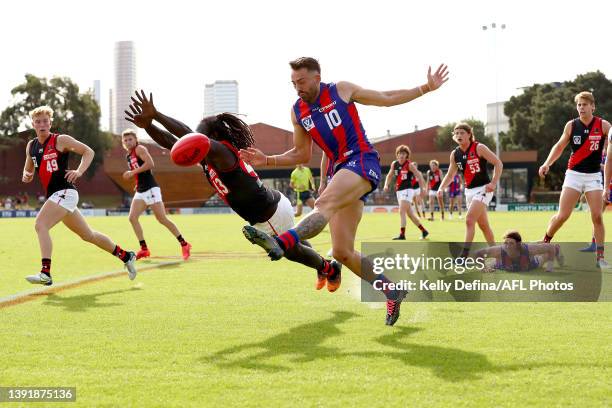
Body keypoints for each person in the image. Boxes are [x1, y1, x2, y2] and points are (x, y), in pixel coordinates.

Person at [239, 57, 449, 325]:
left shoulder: (341, 90)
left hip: (361, 160)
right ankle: (392, 290)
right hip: (340, 171)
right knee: (341, 252)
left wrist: (425, 88)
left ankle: (281, 243)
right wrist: (267, 160)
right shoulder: (297, 111)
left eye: (301, 82)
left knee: (323, 204)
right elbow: (302, 154)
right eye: (293, 83)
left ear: (317, 77)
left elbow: (385, 97)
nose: (297, 88)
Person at [124, 90, 342, 292]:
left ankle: (329, 268)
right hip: (270, 208)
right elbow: (174, 143)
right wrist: (148, 126)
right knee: (296, 241)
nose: (192, 141)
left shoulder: (222, 153)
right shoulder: (209, 158)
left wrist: (157, 115)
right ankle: (321, 265)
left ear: (213, 136)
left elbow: (189, 137)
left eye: (200, 135)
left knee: (292, 252)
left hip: (269, 215)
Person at [22, 105, 136, 286]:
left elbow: (88, 152)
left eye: (45, 121)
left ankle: (46, 272)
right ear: (33, 124)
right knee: (88, 235)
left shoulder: (61, 140)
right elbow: (28, 169)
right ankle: (126, 256)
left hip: (65, 192)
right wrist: (26, 175)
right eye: (38, 122)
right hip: (57, 196)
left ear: (50, 123)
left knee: (40, 225)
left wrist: (79, 171)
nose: (42, 124)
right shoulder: (31, 146)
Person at [539, 91, 611, 268]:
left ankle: (600, 258)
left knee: (597, 216)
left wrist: (606, 185)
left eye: (585, 104)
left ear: (593, 106)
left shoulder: (603, 125)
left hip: (594, 176)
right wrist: (547, 163)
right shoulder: (571, 125)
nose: (581, 107)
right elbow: (559, 146)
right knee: (563, 215)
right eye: (579, 105)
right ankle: (545, 241)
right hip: (573, 174)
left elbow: (610, 154)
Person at [121, 129, 192, 260]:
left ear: (136, 140)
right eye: (125, 140)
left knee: (162, 219)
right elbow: (141, 172)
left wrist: (132, 172)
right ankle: (144, 249)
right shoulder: (128, 155)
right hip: (141, 190)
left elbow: (150, 164)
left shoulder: (140, 149)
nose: (128, 142)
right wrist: (137, 181)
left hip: (151, 189)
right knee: (132, 218)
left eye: (130, 139)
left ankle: (184, 244)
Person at [437, 122, 503, 256]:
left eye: (462, 132)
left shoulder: (479, 147)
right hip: (469, 191)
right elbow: (450, 175)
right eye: (456, 133)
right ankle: (499, 254)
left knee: (469, 220)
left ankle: (464, 255)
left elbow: (498, 163)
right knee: (484, 226)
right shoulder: (454, 154)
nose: (459, 135)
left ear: (469, 134)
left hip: (484, 189)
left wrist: (493, 183)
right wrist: (441, 188)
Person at [382, 145, 429, 240]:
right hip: (399, 191)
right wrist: (386, 185)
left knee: (401, 211)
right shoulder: (394, 164)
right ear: (397, 155)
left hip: (408, 190)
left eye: (404, 153)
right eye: (400, 153)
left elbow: (419, 176)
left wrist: (422, 190)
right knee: (410, 214)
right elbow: (389, 175)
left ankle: (402, 234)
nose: (401, 155)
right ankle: (424, 231)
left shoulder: (409, 165)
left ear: (407, 155)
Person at [474, 230, 563, 273]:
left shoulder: (529, 249)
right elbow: (478, 253)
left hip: (531, 264)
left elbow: (550, 247)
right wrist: (483, 268)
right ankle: (538, 242)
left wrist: (550, 267)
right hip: (502, 265)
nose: (508, 246)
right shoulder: (499, 250)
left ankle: (557, 249)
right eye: (506, 243)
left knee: (545, 255)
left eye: (511, 243)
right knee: (492, 263)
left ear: (518, 244)